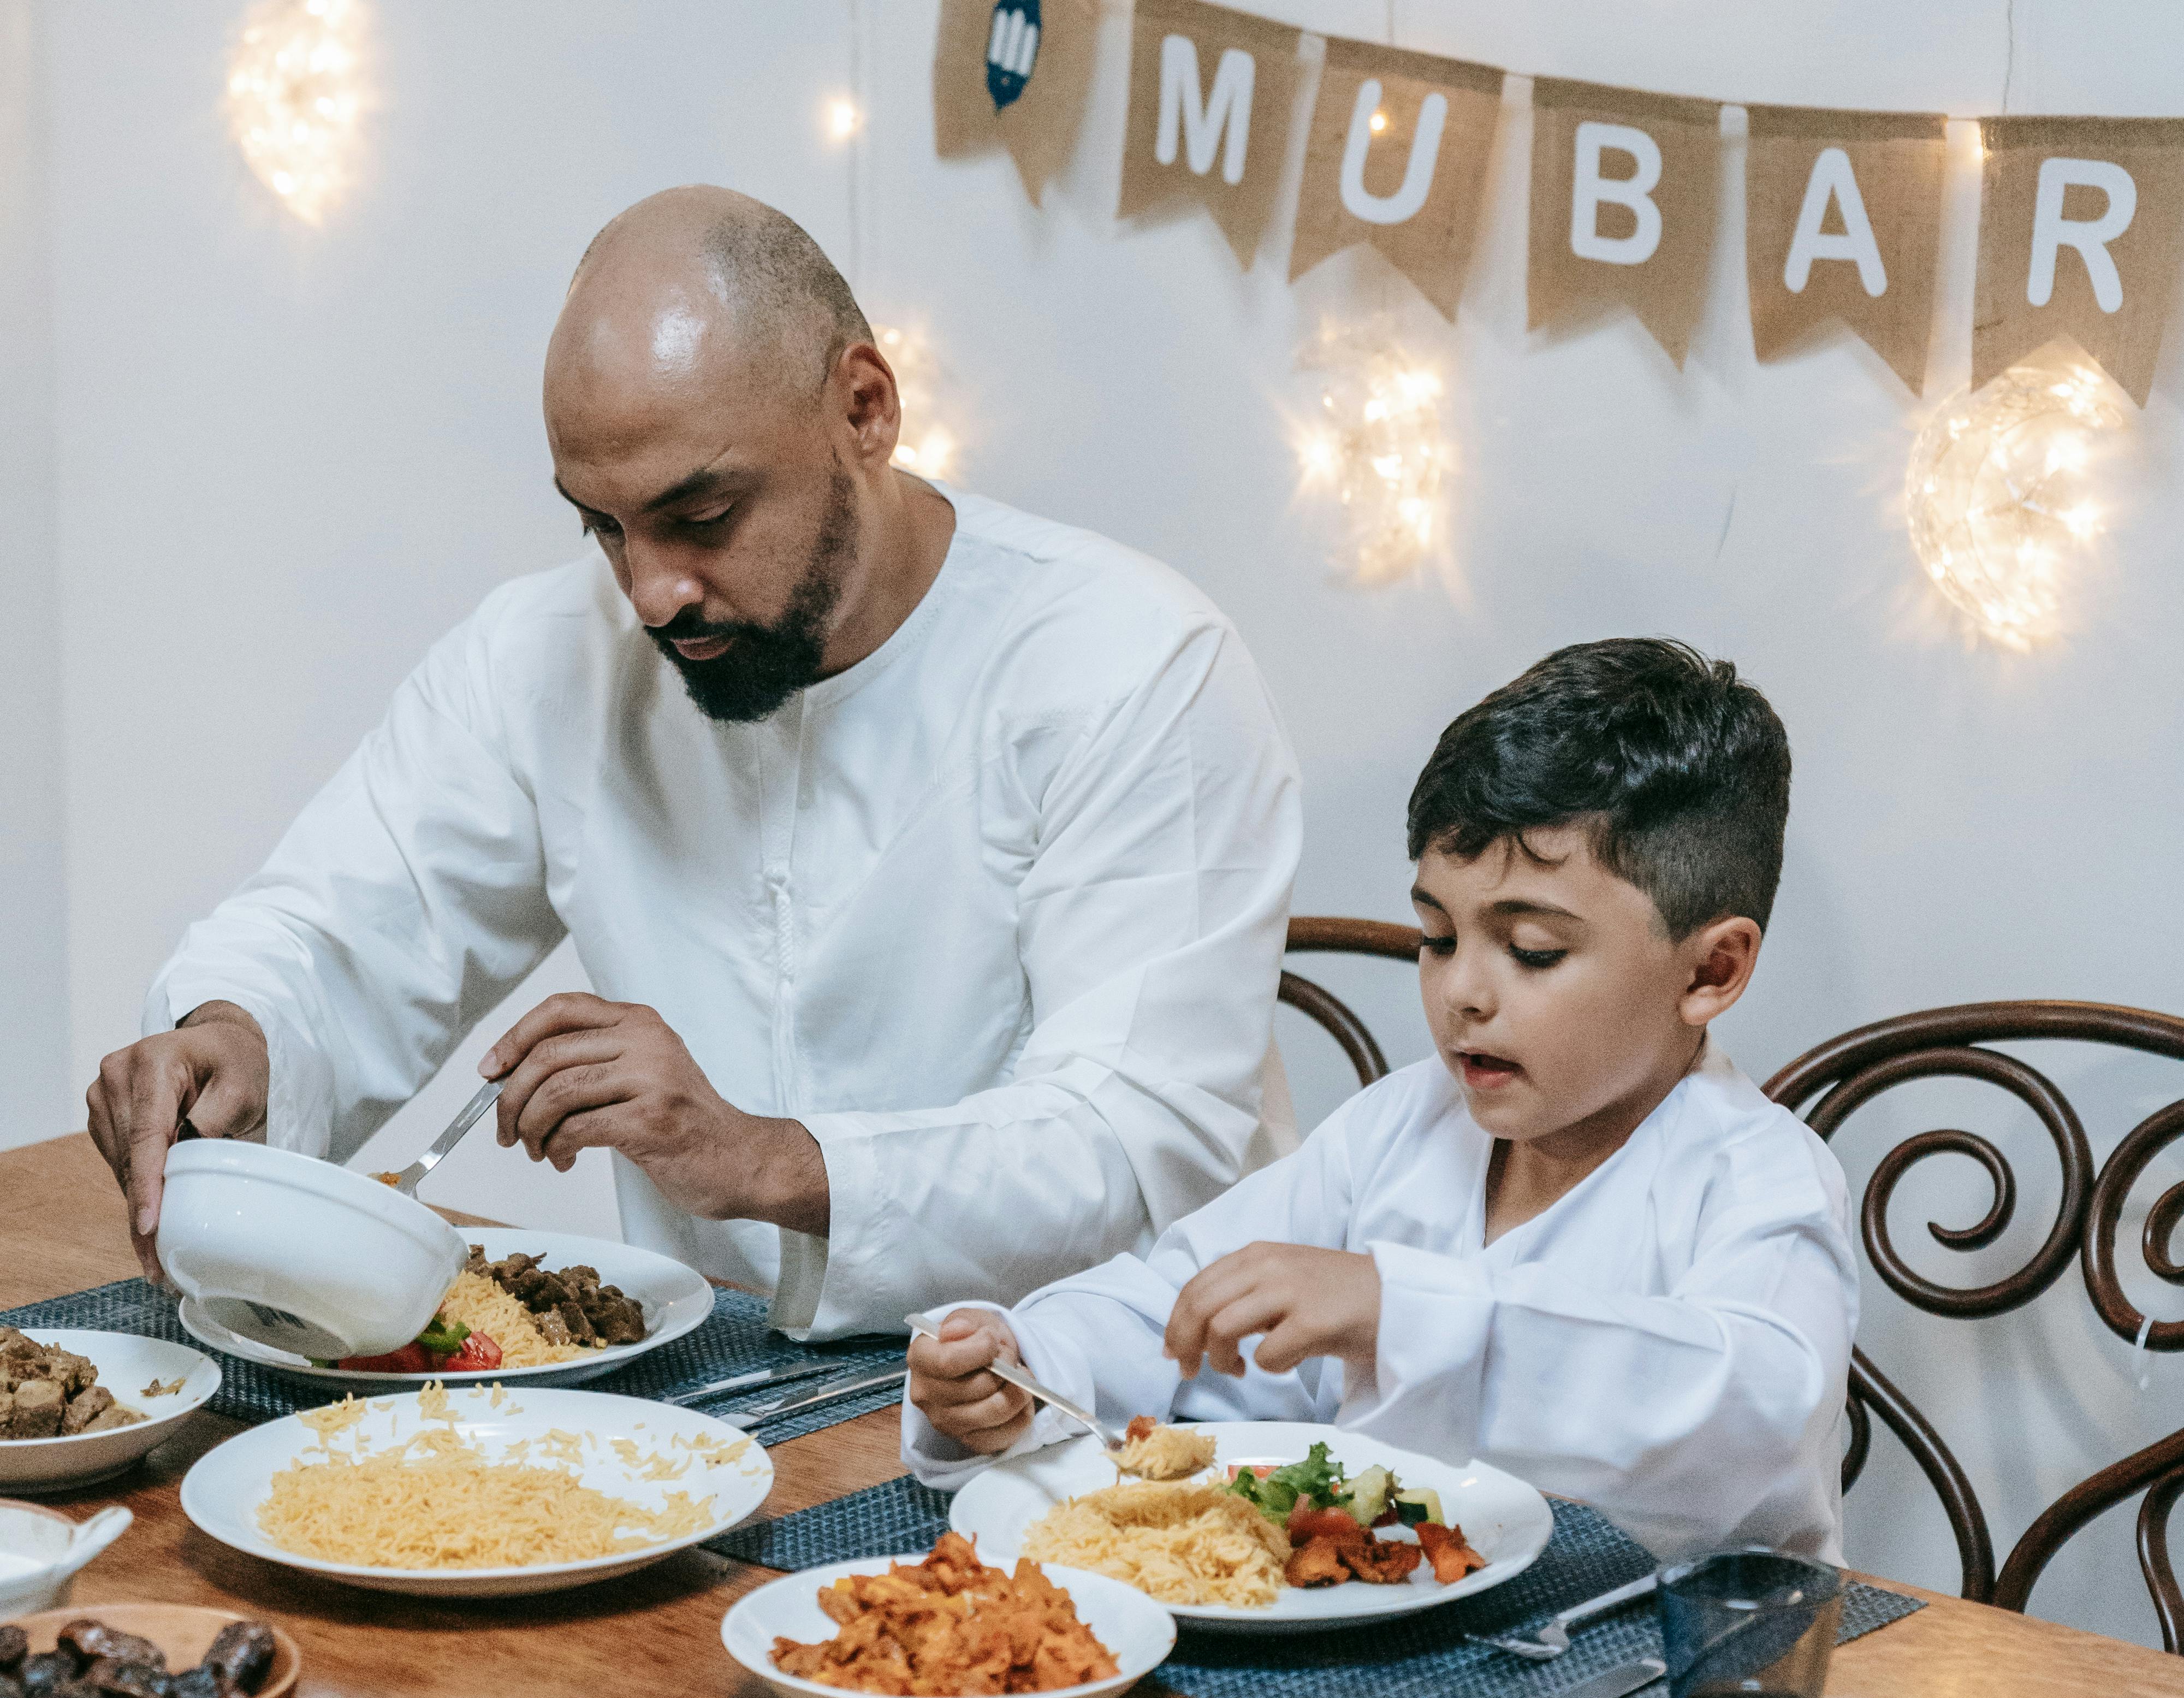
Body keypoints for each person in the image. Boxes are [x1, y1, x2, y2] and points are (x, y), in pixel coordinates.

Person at [87, 188, 1302, 1335]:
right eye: (601, 525)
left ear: (864, 408)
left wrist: (761, 1157)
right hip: (706, 1398)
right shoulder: (547, 654)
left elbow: (1133, 1141)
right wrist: (232, 1031)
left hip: (1104, 1417)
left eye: (703, 517)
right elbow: (341, 925)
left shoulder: (1133, 664)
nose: (652, 590)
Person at [904, 636, 1857, 1565]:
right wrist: (1031, 1362)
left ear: (1711, 968)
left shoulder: (1760, 1179)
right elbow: (1186, 1305)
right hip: (1391, 1654)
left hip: (1670, 1678)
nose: (1462, 992)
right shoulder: (1401, 1129)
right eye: (1438, 937)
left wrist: (1402, 1309)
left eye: (1532, 950)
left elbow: (1755, 1408)